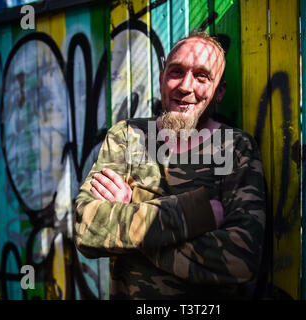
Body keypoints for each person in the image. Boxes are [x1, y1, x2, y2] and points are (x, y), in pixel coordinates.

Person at [73, 31, 266, 299]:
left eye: (202, 77)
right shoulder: (127, 136)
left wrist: (131, 214)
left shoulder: (235, 148)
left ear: (219, 91)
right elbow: (87, 230)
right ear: (162, 78)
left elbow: (239, 260)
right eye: (176, 72)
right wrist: (194, 215)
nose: (186, 86)